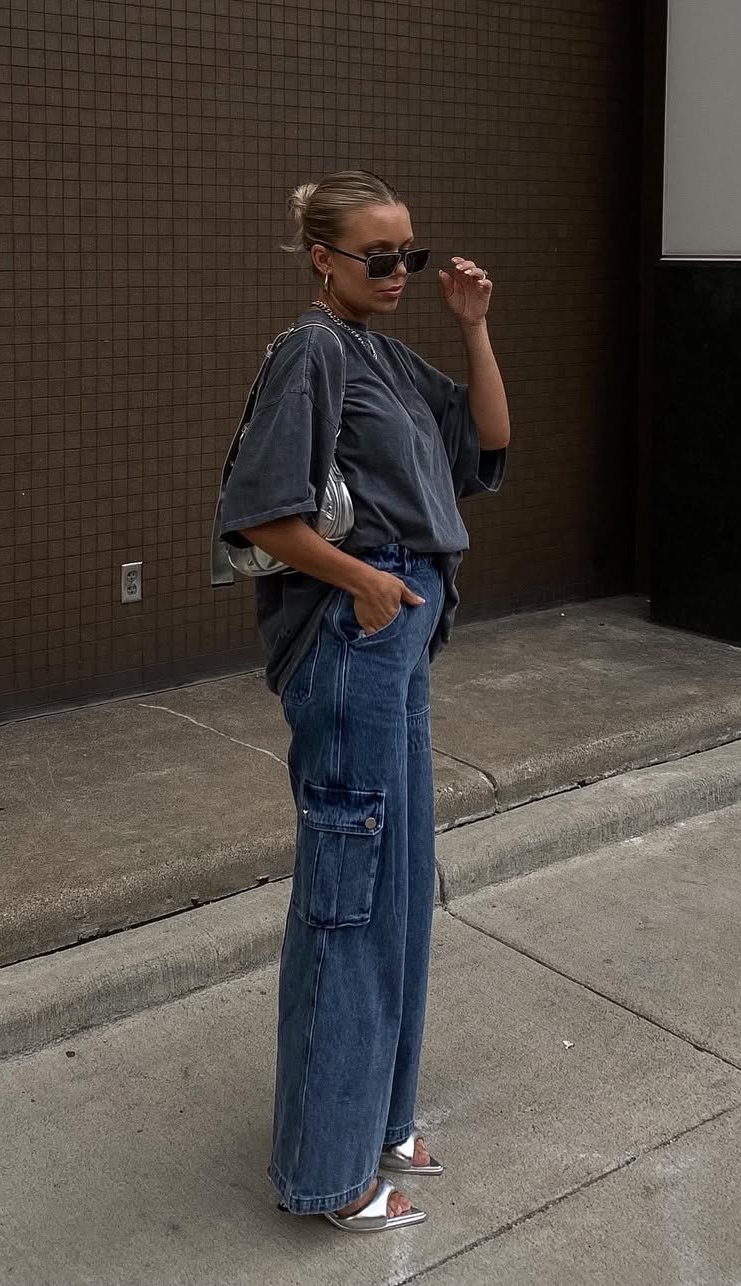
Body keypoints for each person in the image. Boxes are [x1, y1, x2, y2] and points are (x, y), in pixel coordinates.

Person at [217, 169, 509, 1233]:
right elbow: (261, 519)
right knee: (349, 889)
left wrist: (473, 328)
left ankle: (378, 1123)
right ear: (323, 260)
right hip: (357, 633)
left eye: (410, 257)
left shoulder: (382, 352)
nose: (397, 273)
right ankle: (328, 1175)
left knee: (398, 888)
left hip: (398, 631)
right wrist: (372, 587)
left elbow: (481, 448)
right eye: (377, 257)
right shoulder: (312, 352)